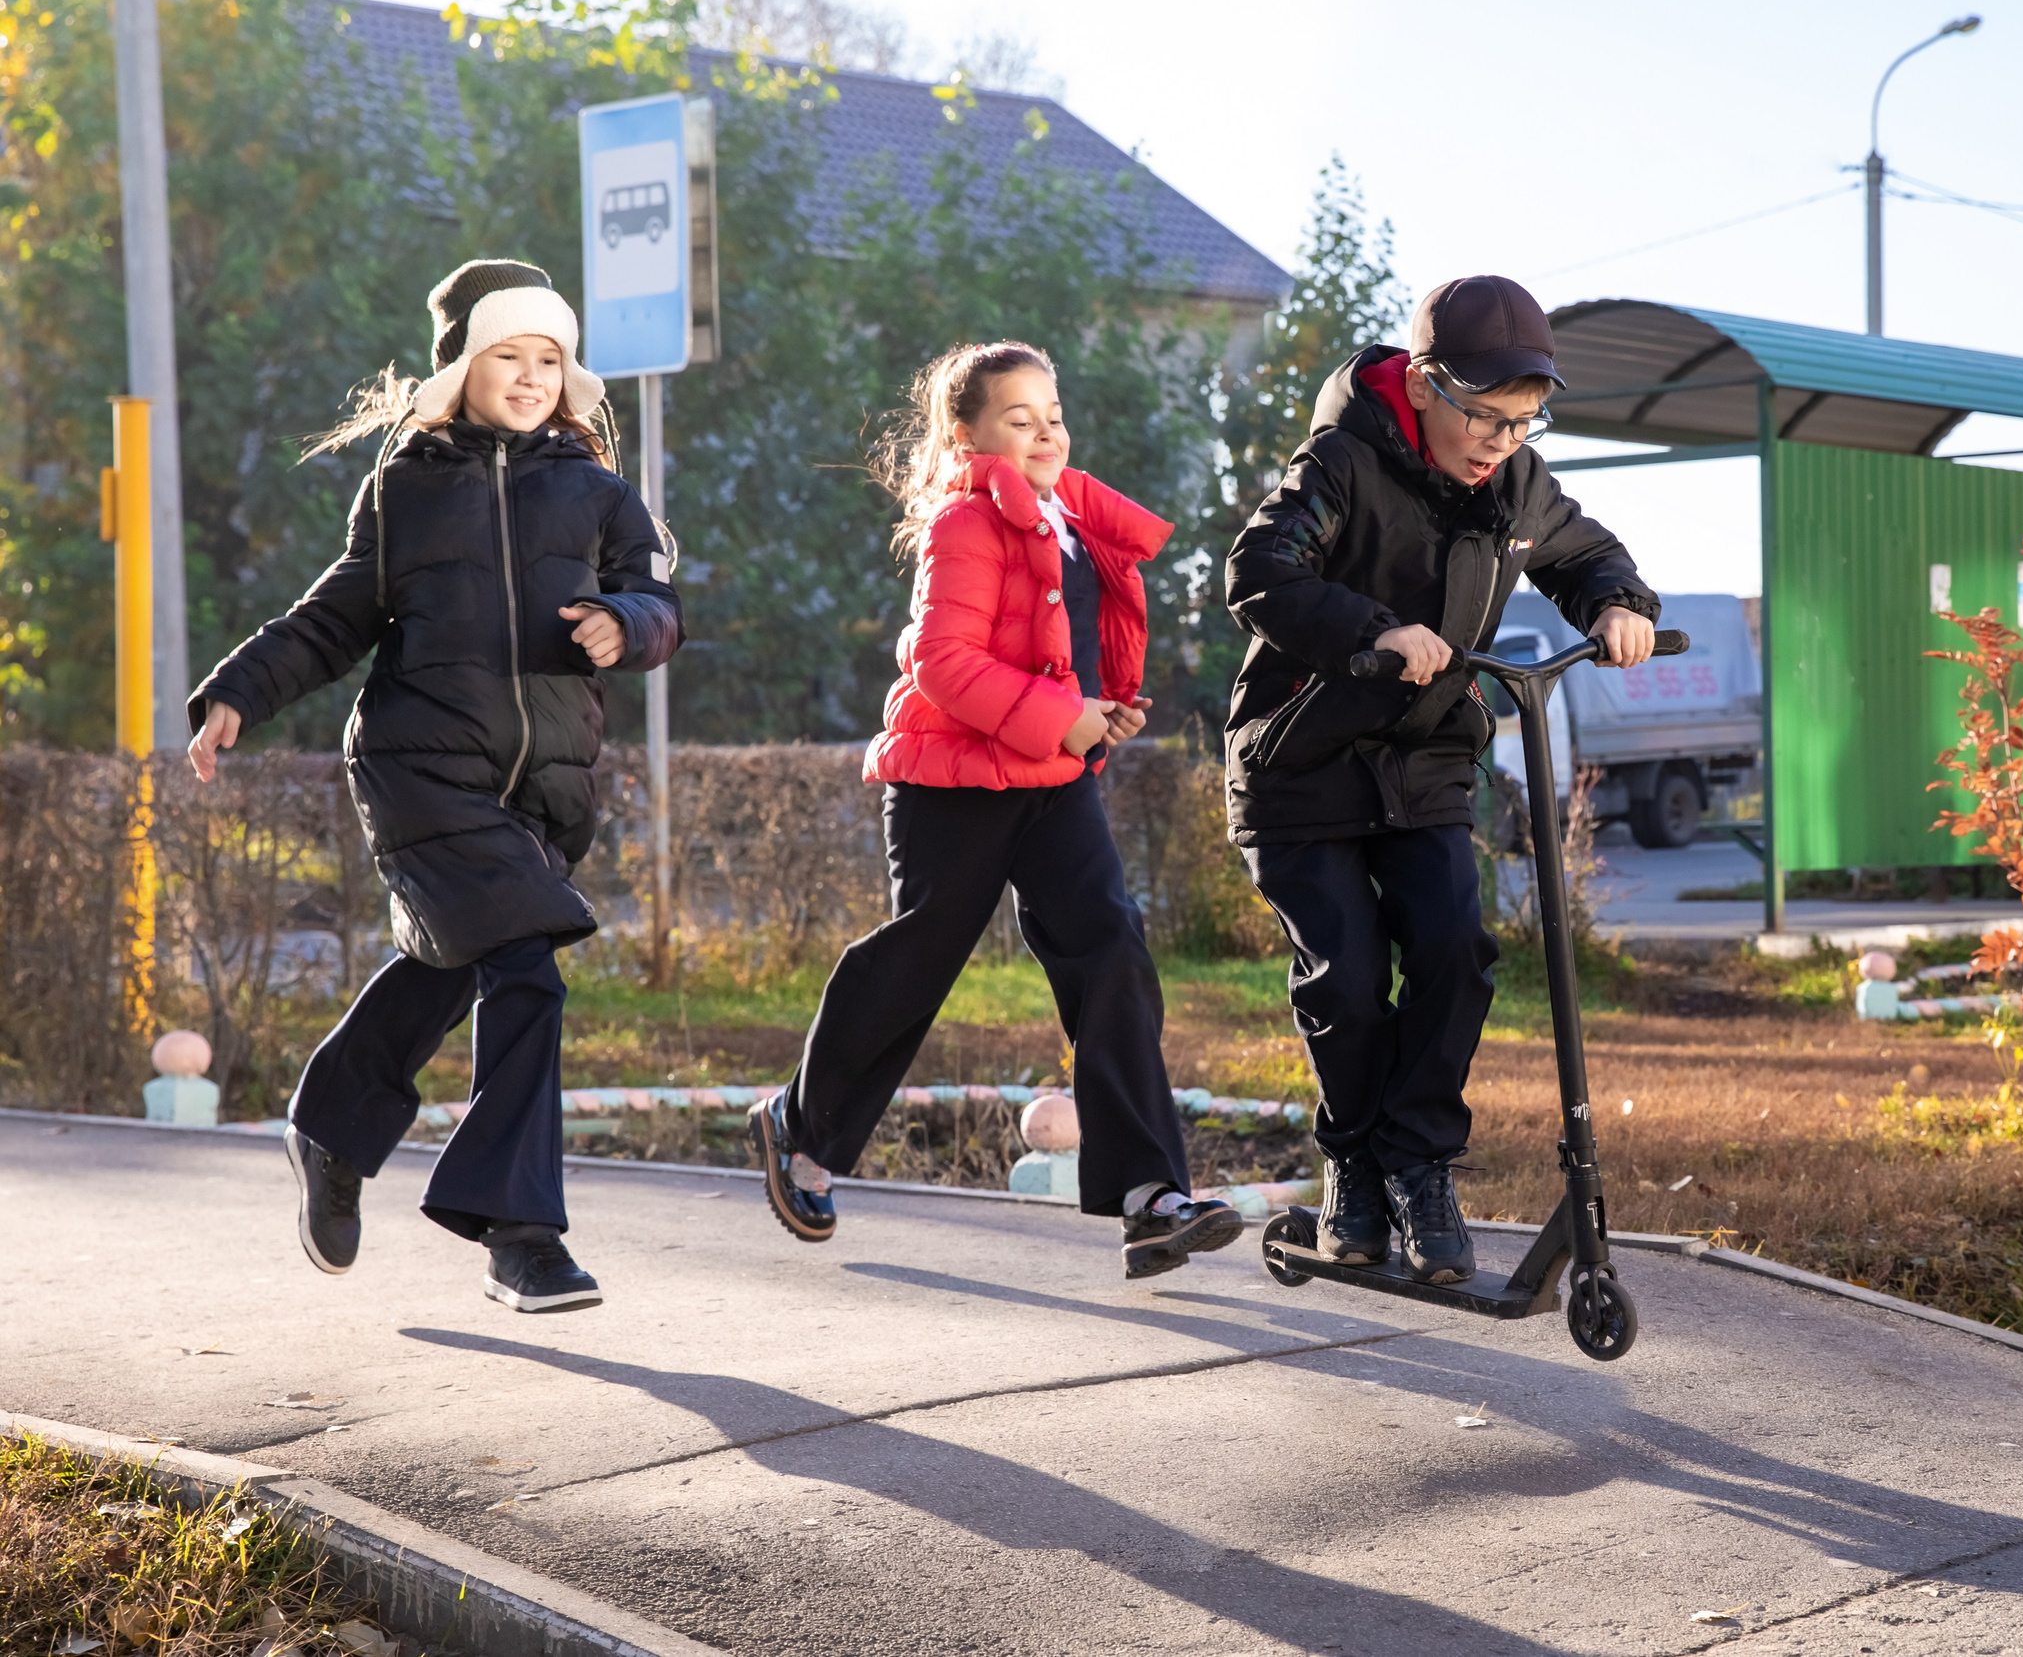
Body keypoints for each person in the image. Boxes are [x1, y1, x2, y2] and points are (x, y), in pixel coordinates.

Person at [187, 259, 682, 1313]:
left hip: (544, 790)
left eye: (550, 358)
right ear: (460, 367)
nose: (532, 375)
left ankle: (331, 1123)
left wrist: (625, 624)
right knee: (527, 971)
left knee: (447, 967)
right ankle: (520, 1232)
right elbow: (332, 620)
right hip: (420, 774)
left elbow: (658, 601)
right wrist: (239, 689)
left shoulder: (598, 491)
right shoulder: (405, 490)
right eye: (509, 354)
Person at [746, 341, 1241, 1280]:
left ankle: (1150, 1197)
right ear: (968, 435)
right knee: (920, 957)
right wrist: (1064, 714)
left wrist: (1098, 709)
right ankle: (799, 1127)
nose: (1045, 432)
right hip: (954, 779)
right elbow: (944, 663)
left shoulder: (1071, 518)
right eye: (1020, 419)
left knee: (1111, 945)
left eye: (1053, 415)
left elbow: (1060, 646)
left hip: (1051, 776)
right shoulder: (965, 521)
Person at [1224, 275, 1659, 1285]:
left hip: (1424, 757)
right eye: (1483, 416)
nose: (1500, 440)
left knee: (1455, 953)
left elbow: (1586, 554)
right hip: (1303, 758)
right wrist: (1375, 631)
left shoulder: (1517, 483)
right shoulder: (1338, 463)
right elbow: (1260, 572)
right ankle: (1352, 1166)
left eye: (1522, 420)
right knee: (1347, 978)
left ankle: (1418, 1167)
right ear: (1422, 385)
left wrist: (1616, 604)